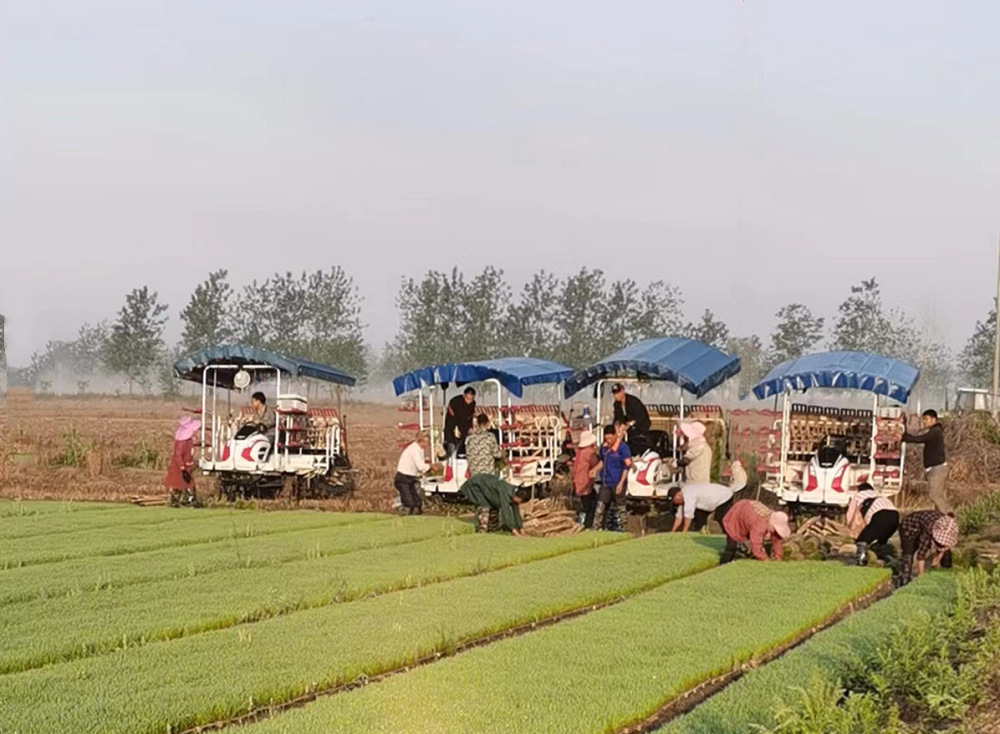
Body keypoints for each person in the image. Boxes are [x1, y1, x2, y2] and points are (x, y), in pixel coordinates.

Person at [902, 409, 951, 514]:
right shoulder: (934, 431)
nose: (924, 422)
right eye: (923, 419)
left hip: (937, 469)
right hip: (933, 469)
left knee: (934, 495)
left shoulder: (935, 432)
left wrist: (904, 436)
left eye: (926, 419)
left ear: (934, 420)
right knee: (937, 495)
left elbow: (919, 439)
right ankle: (941, 517)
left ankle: (949, 516)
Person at [898, 509, 958, 586]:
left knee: (947, 555)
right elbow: (921, 555)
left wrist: (938, 557)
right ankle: (904, 582)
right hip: (909, 527)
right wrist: (922, 577)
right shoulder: (929, 529)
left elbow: (945, 546)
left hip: (924, 524)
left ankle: (946, 577)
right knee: (908, 554)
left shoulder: (948, 527)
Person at [590, 425, 633, 531]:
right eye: (606, 438)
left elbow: (626, 467)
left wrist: (621, 483)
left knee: (620, 507)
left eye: (610, 438)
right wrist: (595, 469)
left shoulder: (623, 448)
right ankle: (596, 528)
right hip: (606, 482)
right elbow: (602, 462)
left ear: (615, 435)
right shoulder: (604, 448)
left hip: (618, 482)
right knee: (600, 506)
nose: (609, 441)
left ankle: (623, 529)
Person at [846, 483, 899, 566]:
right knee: (880, 542)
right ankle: (886, 559)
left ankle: (861, 561)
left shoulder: (858, 495)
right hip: (895, 516)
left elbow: (851, 514)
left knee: (862, 539)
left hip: (880, 515)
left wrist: (851, 530)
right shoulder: (878, 494)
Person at [721, 499, 791, 563]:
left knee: (746, 546)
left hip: (747, 514)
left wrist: (778, 556)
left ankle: (742, 551)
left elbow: (777, 539)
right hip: (736, 515)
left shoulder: (773, 519)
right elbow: (756, 547)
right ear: (772, 524)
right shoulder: (759, 525)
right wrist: (766, 560)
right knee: (732, 546)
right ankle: (723, 564)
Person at [461, 473, 525, 535]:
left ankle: (492, 531)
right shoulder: (504, 492)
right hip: (475, 485)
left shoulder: (514, 493)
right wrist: (514, 530)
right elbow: (506, 512)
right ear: (517, 497)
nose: (520, 502)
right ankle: (482, 531)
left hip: (488, 489)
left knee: (494, 508)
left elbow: (516, 512)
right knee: (485, 507)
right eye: (520, 500)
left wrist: (521, 528)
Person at [395, 431, 435, 515]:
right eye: (428, 441)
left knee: (417, 502)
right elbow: (420, 466)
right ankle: (408, 514)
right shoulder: (414, 450)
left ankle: (416, 513)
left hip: (411, 477)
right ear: (423, 441)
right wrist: (431, 467)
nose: (429, 444)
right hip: (403, 478)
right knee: (409, 503)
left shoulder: (419, 449)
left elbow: (420, 466)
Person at [667, 483, 735, 533]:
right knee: (700, 519)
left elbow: (688, 515)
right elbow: (679, 517)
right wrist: (672, 532)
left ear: (677, 496)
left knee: (721, 518)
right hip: (716, 500)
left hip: (724, 497)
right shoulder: (685, 493)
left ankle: (730, 536)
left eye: (674, 501)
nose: (675, 504)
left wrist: (684, 532)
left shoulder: (688, 494)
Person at [165, 416, 200, 507]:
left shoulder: (187, 440)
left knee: (184, 484)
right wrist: (182, 468)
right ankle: (184, 501)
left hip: (185, 465)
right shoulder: (182, 442)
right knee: (182, 484)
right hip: (180, 466)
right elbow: (178, 455)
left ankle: (185, 500)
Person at [611, 383, 651, 453]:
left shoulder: (634, 401)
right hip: (627, 428)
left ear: (623, 391)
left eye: (618, 393)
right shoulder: (616, 404)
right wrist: (616, 426)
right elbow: (617, 418)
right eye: (614, 393)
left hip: (640, 427)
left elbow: (642, 417)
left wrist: (628, 424)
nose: (616, 395)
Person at [572, 430, 600, 528]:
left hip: (577, 480)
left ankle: (582, 523)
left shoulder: (579, 452)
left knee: (585, 503)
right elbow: (595, 463)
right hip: (586, 481)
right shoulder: (590, 452)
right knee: (590, 506)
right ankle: (587, 524)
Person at [442, 387, 477, 459]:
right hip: (452, 424)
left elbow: (469, 417)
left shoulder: (473, 403)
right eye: (467, 399)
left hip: (464, 426)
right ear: (464, 395)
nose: (469, 401)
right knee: (451, 445)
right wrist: (458, 429)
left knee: (465, 444)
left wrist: (470, 427)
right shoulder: (455, 401)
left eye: (471, 399)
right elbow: (458, 417)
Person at [466, 414, 502, 478]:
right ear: (487, 423)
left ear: (477, 423)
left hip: (474, 475)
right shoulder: (490, 437)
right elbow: (497, 454)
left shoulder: (469, 438)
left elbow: (468, 455)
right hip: (488, 474)